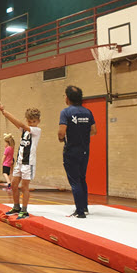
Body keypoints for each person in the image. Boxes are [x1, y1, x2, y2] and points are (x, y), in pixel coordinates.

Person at [58, 85, 96, 218]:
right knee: (82, 178)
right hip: (85, 150)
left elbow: (61, 133)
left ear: (67, 98)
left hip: (71, 151)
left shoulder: (66, 112)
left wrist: (62, 139)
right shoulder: (88, 112)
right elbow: (93, 131)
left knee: (74, 181)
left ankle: (80, 212)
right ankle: (84, 207)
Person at [0, 106, 42, 220]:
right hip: (19, 162)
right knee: (14, 185)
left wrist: (8, 113)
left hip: (28, 163)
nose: (31, 123)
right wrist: (5, 113)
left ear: (38, 121)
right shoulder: (24, 130)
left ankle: (24, 210)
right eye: (29, 121)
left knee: (24, 187)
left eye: (34, 121)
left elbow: (22, 125)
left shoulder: (36, 131)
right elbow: (16, 123)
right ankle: (16, 207)